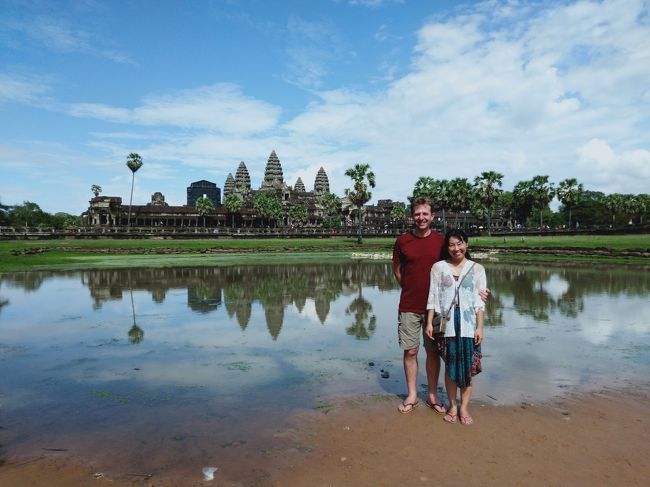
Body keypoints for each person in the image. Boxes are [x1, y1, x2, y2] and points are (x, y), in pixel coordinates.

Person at [425, 229, 486, 425]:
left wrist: (480, 327)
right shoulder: (438, 267)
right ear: (447, 247)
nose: (456, 248)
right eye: (451, 245)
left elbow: (479, 302)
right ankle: (452, 406)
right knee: (451, 367)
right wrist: (428, 322)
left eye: (460, 244)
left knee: (467, 369)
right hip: (448, 324)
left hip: (468, 324)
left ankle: (464, 408)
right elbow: (432, 297)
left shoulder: (477, 269)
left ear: (466, 245)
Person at [392, 197, 446, 414]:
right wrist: (408, 287)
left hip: (436, 305)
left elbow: (459, 266)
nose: (421, 218)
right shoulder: (403, 241)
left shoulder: (442, 241)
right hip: (409, 304)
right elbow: (397, 269)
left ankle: (432, 394)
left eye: (425, 214)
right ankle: (412, 394)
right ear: (412, 216)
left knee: (433, 351)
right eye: (417, 214)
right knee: (411, 350)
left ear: (432, 216)